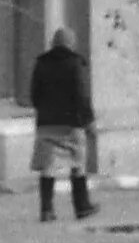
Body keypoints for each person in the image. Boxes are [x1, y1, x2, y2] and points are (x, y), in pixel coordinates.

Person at [29, 27, 95, 222]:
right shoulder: (76, 64)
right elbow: (82, 96)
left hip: (47, 124)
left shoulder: (41, 64)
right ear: (71, 44)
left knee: (47, 166)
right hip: (71, 124)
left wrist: (44, 110)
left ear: (53, 43)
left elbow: (34, 95)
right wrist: (89, 120)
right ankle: (81, 206)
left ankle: (46, 209)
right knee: (78, 163)